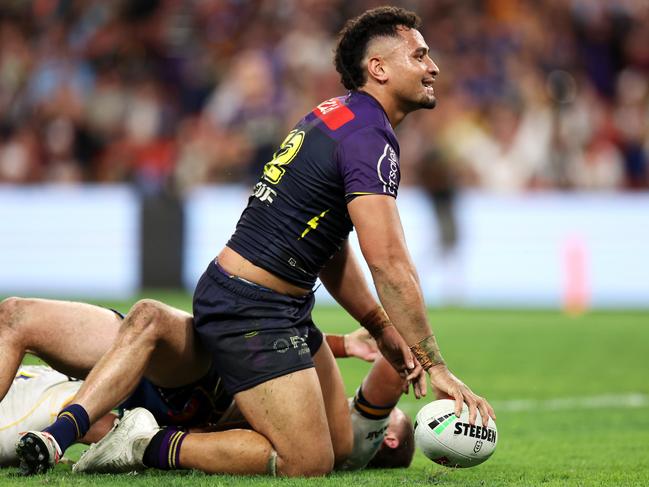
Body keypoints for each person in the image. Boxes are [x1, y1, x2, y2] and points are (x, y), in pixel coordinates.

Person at [18, 5, 494, 477]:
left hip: (277, 303)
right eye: (420, 55)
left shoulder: (336, 118)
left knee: (340, 444)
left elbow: (328, 247)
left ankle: (174, 416)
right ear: (379, 68)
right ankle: (148, 444)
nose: (433, 67)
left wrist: (382, 328)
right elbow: (389, 261)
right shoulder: (370, 137)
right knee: (307, 462)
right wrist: (436, 366)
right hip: (253, 309)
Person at [0, 296, 409, 470]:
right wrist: (344, 344)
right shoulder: (331, 415)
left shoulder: (353, 441)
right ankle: (80, 433)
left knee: (151, 319)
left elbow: (390, 377)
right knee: (14, 315)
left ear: (388, 438)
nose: (363, 400)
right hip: (151, 363)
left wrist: (423, 359)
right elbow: (289, 350)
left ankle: (61, 435)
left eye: (393, 417)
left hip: (205, 385)